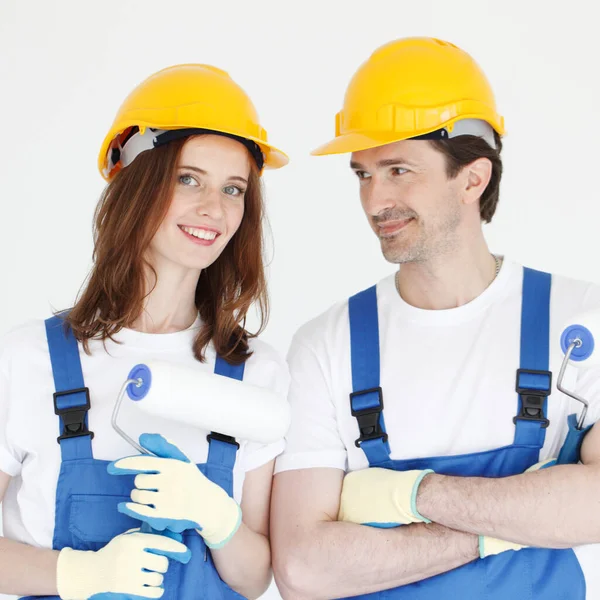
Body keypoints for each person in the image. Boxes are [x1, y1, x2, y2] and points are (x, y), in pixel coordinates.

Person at [271, 37, 600, 599]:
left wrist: (411, 497)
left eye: (399, 170)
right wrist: (519, 518)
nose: (375, 201)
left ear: (473, 179)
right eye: (362, 174)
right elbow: (305, 568)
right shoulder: (328, 346)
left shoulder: (580, 323)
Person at [0, 63, 289, 600]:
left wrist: (217, 518)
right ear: (136, 183)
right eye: (188, 179)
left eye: (233, 189)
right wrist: (78, 575)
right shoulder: (27, 359)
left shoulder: (255, 373)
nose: (214, 208)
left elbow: (254, 580)